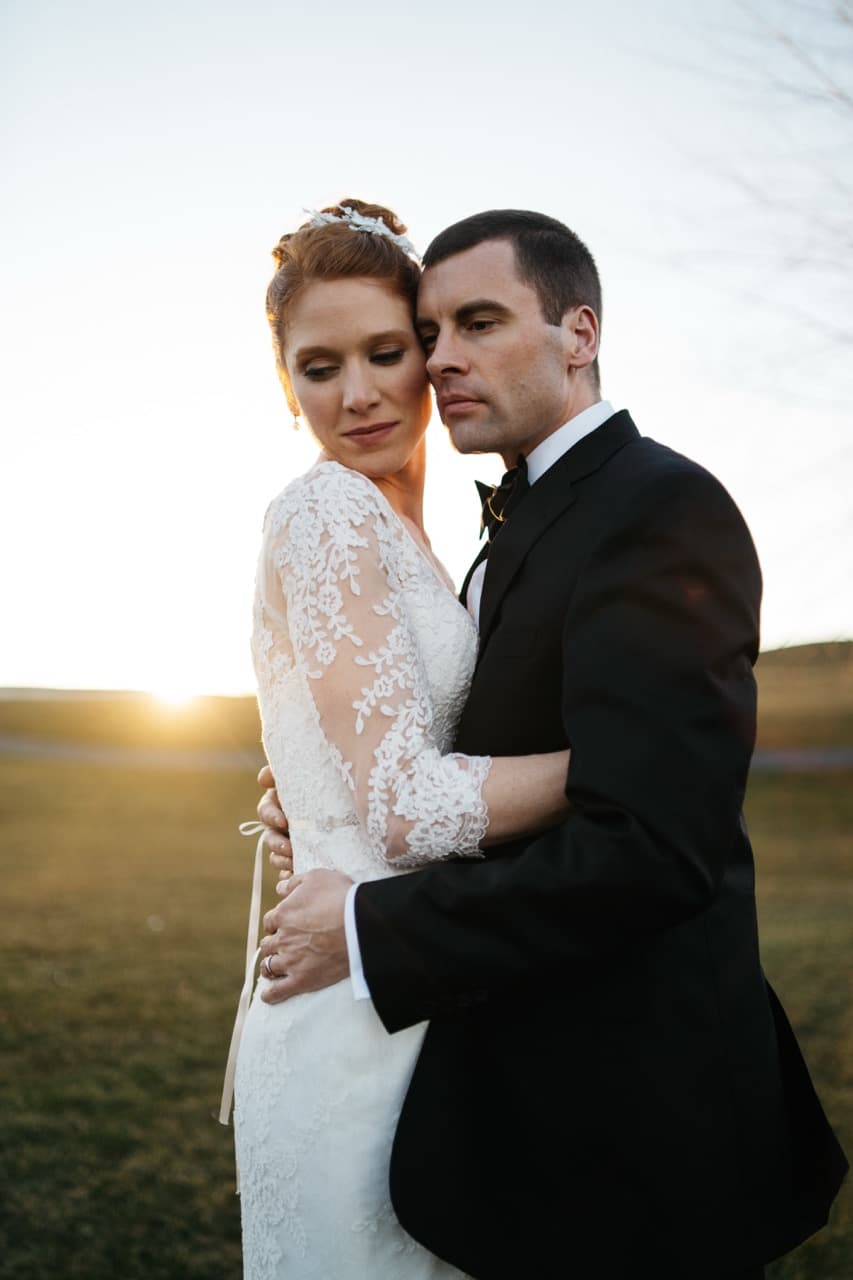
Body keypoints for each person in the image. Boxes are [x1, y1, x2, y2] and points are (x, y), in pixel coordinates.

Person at [257, 209, 848, 1279]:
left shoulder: (657, 507)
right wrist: (313, 785)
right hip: (505, 1073)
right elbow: (435, 743)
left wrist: (368, 917)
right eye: (430, 332)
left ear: (579, 333)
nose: (440, 362)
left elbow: (654, 842)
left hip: (633, 1099)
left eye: (474, 324)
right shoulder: (499, 529)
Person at [225, 200, 577, 1280]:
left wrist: (302, 789)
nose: (360, 391)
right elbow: (409, 807)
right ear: (286, 386)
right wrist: (629, 758)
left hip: (424, 973)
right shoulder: (326, 511)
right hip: (358, 1005)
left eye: (386, 351)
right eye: (319, 366)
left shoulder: (424, 532)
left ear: (430, 355)